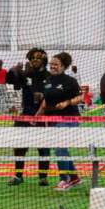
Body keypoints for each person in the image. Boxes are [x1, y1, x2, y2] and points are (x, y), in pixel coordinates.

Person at [36, 52, 82, 190]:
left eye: (56, 65)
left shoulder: (70, 81)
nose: (53, 66)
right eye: (52, 64)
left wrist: (67, 103)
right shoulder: (48, 80)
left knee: (60, 146)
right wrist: (37, 115)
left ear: (63, 66)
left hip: (70, 118)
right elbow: (46, 100)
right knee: (62, 148)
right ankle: (74, 178)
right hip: (53, 119)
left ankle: (65, 179)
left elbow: (80, 97)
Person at [9, 48, 52, 186]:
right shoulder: (25, 73)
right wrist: (13, 70)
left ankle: (43, 177)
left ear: (44, 60)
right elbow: (10, 80)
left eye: (38, 58)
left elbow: (54, 94)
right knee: (19, 147)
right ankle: (18, 176)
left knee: (43, 148)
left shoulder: (49, 75)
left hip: (42, 115)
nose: (35, 60)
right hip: (25, 115)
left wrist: (43, 95)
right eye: (32, 58)